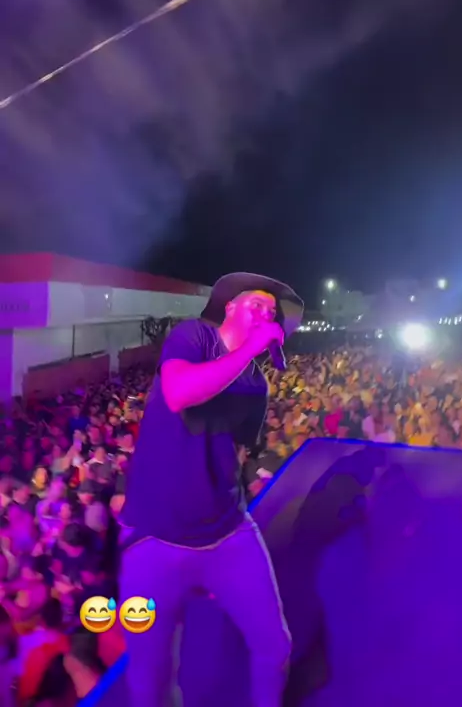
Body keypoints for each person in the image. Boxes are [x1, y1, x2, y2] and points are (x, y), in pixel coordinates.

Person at [120, 272, 304, 707]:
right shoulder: (194, 336)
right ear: (229, 308)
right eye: (256, 304)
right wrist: (251, 349)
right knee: (150, 673)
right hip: (153, 539)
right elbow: (179, 392)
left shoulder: (256, 384)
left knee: (275, 647)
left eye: (272, 313)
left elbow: (236, 451)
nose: (266, 314)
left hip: (227, 534)